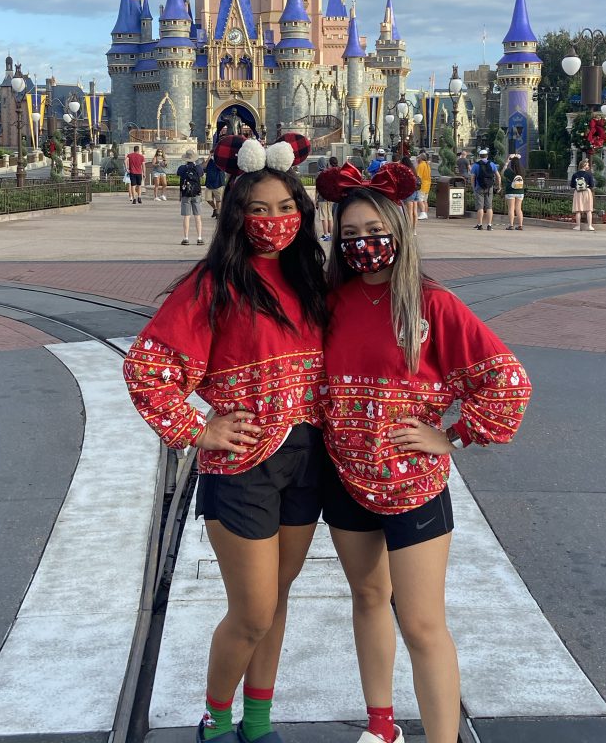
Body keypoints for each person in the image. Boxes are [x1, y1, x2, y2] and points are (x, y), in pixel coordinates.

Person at [315, 160, 532, 743]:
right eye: (351, 234)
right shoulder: (329, 303)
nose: (365, 245)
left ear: (400, 232)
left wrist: (453, 435)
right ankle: (381, 727)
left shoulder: (431, 304)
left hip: (413, 485)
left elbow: (507, 380)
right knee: (367, 597)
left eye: (375, 232)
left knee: (421, 622)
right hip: (344, 478)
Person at [124, 134, 328, 743]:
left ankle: (258, 721)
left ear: (304, 212)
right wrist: (199, 427)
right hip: (242, 466)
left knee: (278, 601)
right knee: (253, 610)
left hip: (308, 458)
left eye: (286, 209)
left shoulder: (312, 277)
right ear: (236, 214)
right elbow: (147, 370)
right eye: (258, 211)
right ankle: (214, 721)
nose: (274, 222)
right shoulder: (213, 285)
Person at [178, 149, 204, 245]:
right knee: (198, 217)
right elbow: (201, 176)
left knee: (186, 217)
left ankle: (186, 238)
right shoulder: (198, 168)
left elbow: (179, 175)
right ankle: (199, 238)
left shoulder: (182, 168)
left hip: (185, 194)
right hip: (196, 194)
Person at [470, 148, 500, 230]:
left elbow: (472, 177)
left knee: (480, 207)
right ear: (487, 156)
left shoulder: (476, 165)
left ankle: (480, 224)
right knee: (489, 207)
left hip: (479, 187)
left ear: (480, 156)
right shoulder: (492, 164)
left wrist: (473, 187)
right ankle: (489, 225)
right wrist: (498, 186)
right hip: (489, 187)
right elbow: (498, 176)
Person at [570, 158, 596, 231]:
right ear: (584, 166)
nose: (588, 166)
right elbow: (592, 185)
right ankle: (590, 226)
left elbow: (572, 185)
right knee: (588, 210)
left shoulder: (575, 174)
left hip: (578, 192)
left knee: (578, 210)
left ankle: (578, 226)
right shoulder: (589, 174)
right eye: (587, 165)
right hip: (586, 192)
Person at [502, 154, 526, 230]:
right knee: (519, 209)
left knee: (511, 208)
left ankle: (511, 225)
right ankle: (520, 225)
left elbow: (502, 173)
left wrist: (507, 162)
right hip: (520, 191)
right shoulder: (522, 171)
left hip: (510, 191)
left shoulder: (509, 171)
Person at [204, 150, 226, 219]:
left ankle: (218, 213)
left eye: (214, 154)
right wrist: (209, 158)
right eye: (211, 154)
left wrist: (217, 159)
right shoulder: (209, 161)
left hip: (218, 183)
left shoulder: (220, 161)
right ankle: (215, 209)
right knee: (208, 199)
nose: (213, 156)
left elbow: (221, 168)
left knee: (218, 200)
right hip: (209, 183)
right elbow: (204, 167)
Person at [400, 154, 419, 234]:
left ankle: (409, 229)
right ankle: (414, 230)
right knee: (415, 212)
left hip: (409, 191)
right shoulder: (413, 169)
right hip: (416, 191)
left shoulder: (406, 170)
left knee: (409, 212)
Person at [415, 151, 431, 219]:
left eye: (418, 158)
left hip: (422, 185)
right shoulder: (427, 165)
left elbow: (418, 176)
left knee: (419, 199)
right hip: (427, 184)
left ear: (420, 158)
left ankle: (423, 213)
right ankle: (425, 213)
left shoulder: (421, 165)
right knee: (425, 200)